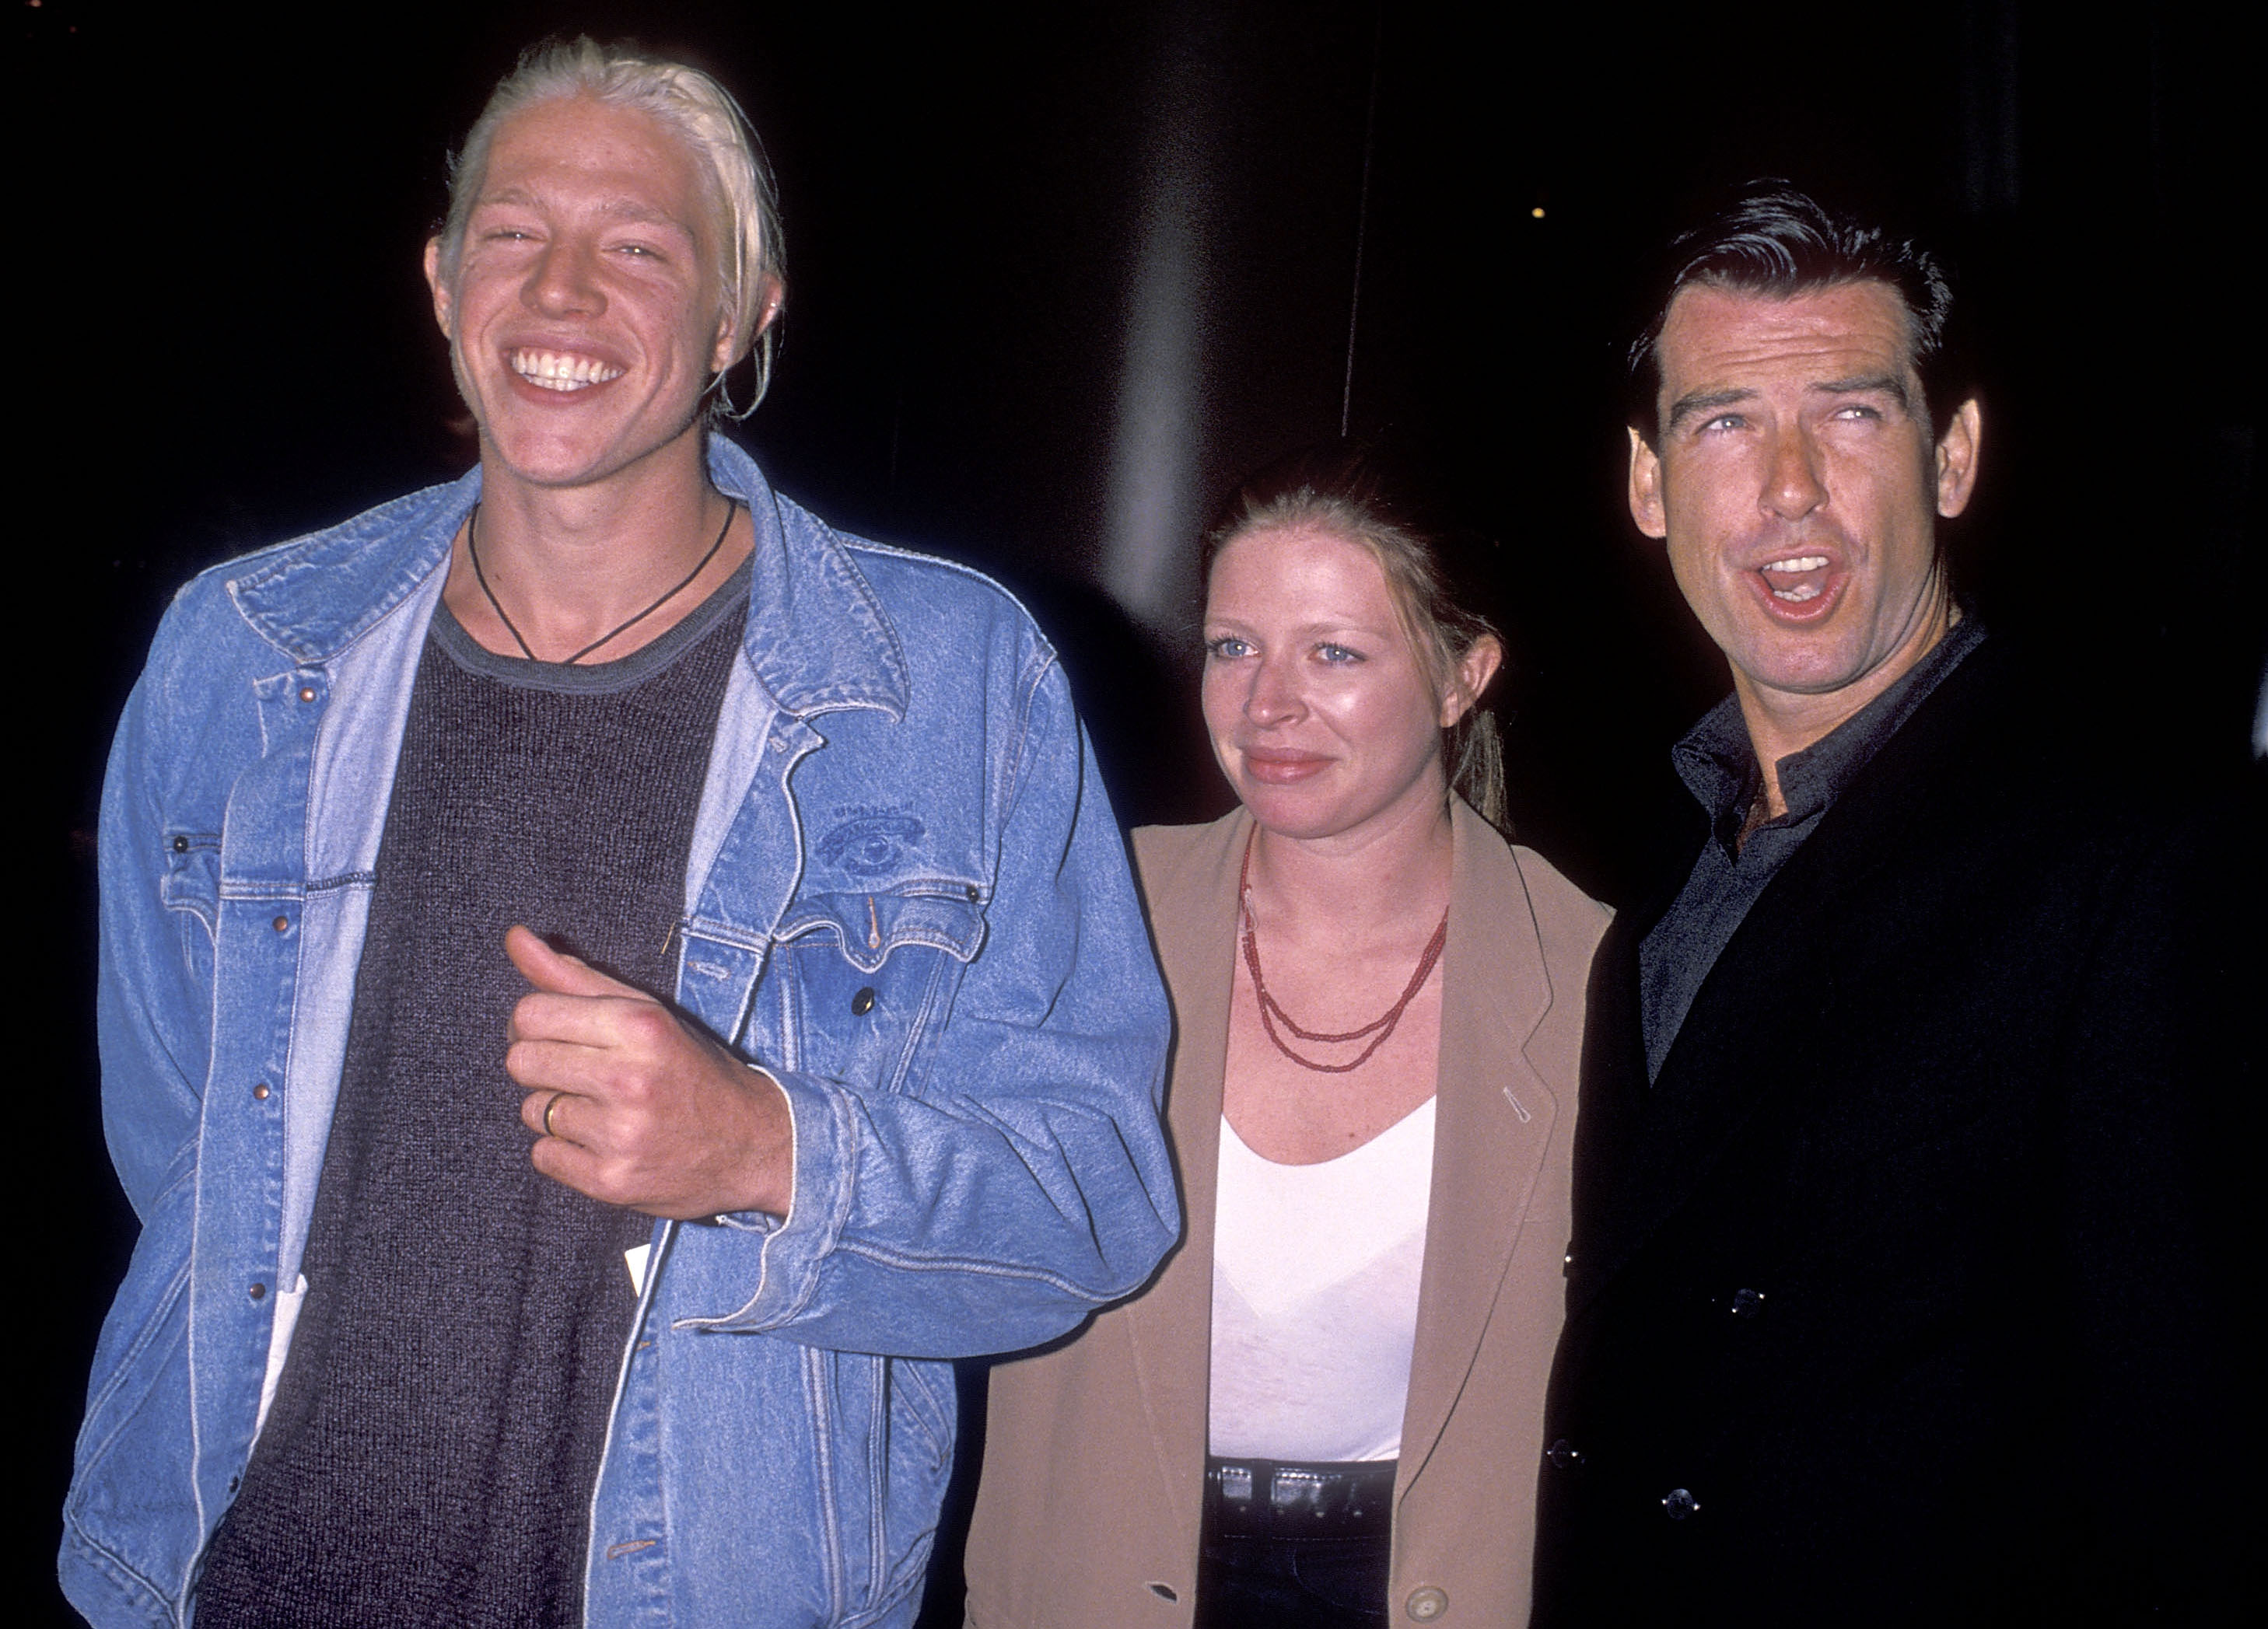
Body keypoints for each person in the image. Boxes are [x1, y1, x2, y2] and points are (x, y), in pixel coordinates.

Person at [64, 38, 1176, 1629]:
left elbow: (1094, 1196)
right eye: (515, 235)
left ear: (739, 315)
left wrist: (766, 1149)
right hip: (233, 1580)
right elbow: (180, 1146)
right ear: (445, 281)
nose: (564, 291)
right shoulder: (240, 654)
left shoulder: (948, 679)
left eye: (640, 247)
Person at [1535, 185, 2268, 1620]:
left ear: (1951, 455)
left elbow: (2215, 1465)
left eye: (1850, 414)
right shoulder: (1658, 860)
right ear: (1647, 486)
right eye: (1722, 422)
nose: (1785, 489)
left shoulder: (2144, 864)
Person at [966, 446, 1610, 1628]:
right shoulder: (1081, 914)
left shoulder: (1596, 976)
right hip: (1102, 1563)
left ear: (1465, 674)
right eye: (1232, 647)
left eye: (1335, 653)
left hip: (1435, 1578)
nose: (1267, 705)